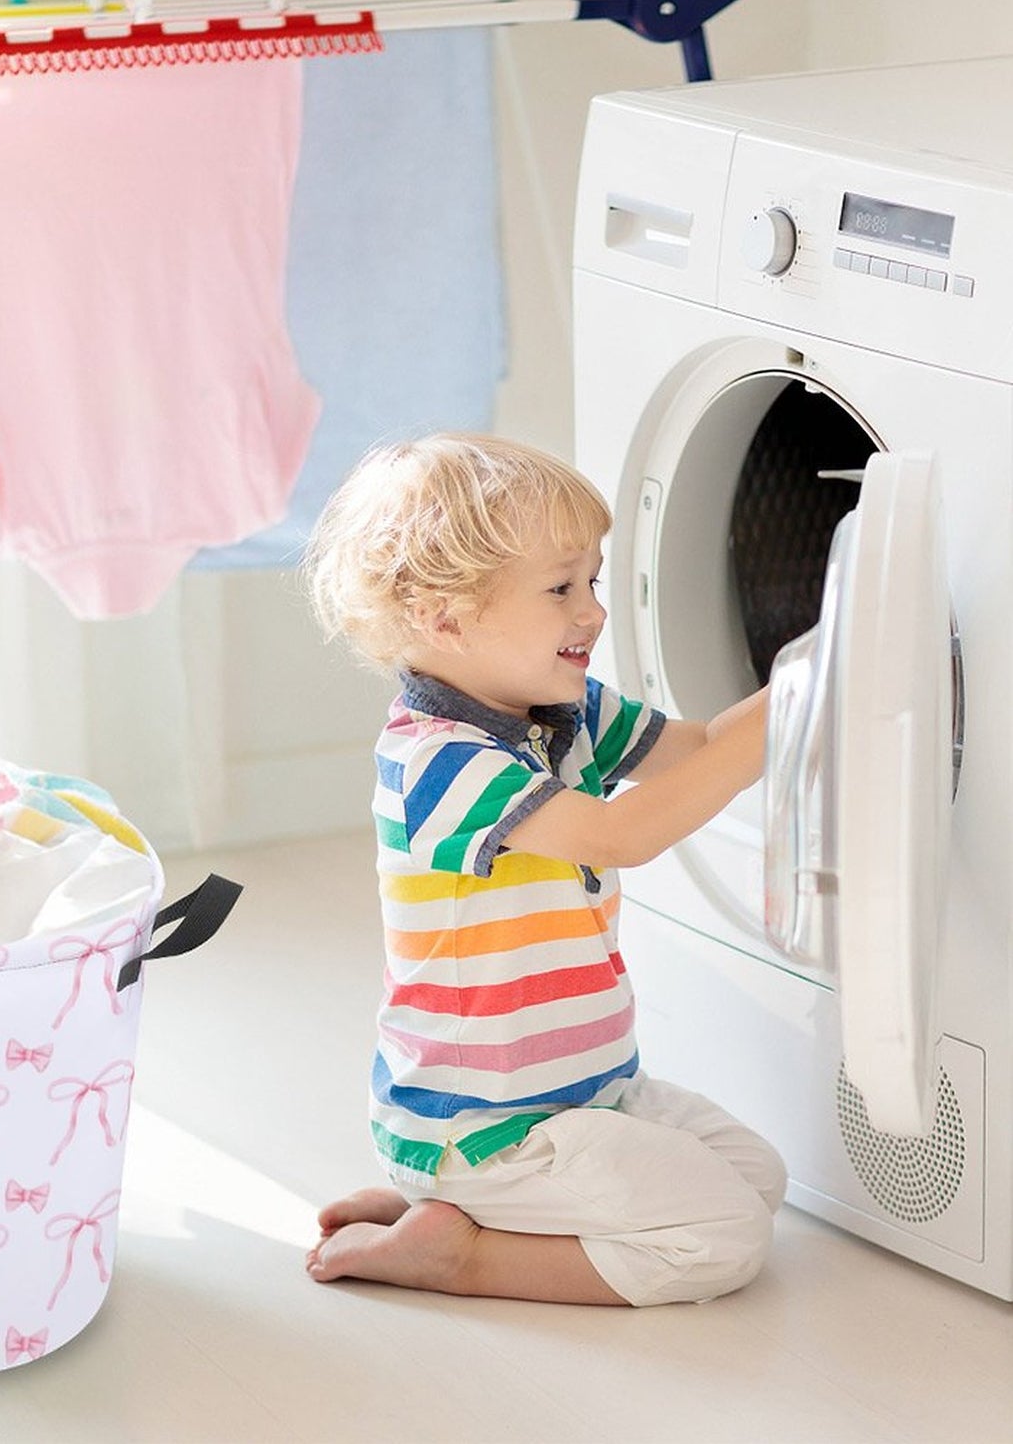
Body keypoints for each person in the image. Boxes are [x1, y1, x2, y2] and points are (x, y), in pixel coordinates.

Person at [301, 433, 785, 1307]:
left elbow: (697, 751)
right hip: (486, 1122)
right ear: (443, 618)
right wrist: (789, 707)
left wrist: (807, 675)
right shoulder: (437, 761)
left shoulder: (563, 711)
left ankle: (452, 1208)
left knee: (760, 1179)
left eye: (591, 580)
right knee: (723, 1238)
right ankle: (457, 1251)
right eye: (561, 587)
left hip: (591, 1088)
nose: (592, 611)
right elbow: (616, 834)